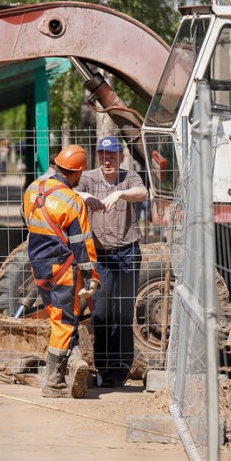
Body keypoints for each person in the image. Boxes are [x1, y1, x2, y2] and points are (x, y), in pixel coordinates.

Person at [22, 145, 100, 399]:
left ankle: (75, 364)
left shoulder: (33, 190)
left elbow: (28, 221)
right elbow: (82, 243)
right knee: (65, 322)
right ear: (76, 173)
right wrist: (91, 276)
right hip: (63, 270)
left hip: (38, 267)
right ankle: (54, 383)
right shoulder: (73, 201)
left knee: (59, 317)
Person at [76, 136, 148, 388]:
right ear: (98, 157)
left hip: (127, 252)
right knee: (102, 314)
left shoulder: (129, 178)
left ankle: (120, 369)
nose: (108, 160)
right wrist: (86, 197)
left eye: (113, 155)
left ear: (121, 157)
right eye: (103, 155)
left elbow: (143, 193)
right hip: (100, 256)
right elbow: (71, 191)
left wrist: (119, 193)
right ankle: (103, 367)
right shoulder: (89, 177)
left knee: (123, 312)